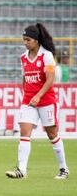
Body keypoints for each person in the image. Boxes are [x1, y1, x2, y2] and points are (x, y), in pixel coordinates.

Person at [5, 23, 69, 179]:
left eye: (28, 40)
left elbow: (50, 79)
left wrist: (38, 95)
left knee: (52, 134)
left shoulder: (46, 56)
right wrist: (26, 94)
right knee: (24, 132)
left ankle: (63, 169)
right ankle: (21, 169)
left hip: (46, 100)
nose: (25, 43)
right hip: (29, 101)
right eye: (24, 40)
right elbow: (24, 78)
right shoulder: (23, 57)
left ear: (36, 40)